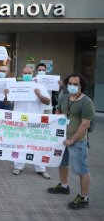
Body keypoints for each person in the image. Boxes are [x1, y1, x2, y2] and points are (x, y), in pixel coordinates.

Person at [47, 73, 95, 210]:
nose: (72, 86)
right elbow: (58, 113)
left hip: (77, 141)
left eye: (76, 84)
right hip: (62, 140)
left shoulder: (86, 102)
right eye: (70, 84)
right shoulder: (64, 97)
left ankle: (84, 197)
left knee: (82, 169)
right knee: (62, 164)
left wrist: (72, 139)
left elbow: (85, 124)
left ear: (81, 86)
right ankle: (63, 186)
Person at [7, 66, 51, 179]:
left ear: (32, 73)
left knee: (37, 145)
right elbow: (7, 102)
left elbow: (47, 102)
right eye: (25, 73)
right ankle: (18, 166)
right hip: (19, 120)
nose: (27, 74)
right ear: (21, 73)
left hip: (36, 121)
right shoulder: (16, 86)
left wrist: (38, 94)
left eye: (29, 73)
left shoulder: (40, 87)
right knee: (19, 144)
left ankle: (41, 168)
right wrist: (7, 94)